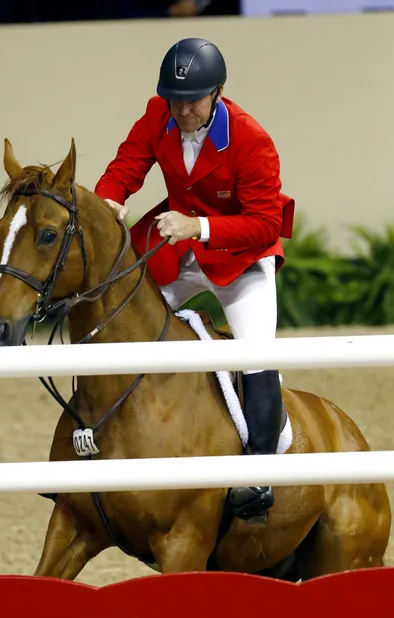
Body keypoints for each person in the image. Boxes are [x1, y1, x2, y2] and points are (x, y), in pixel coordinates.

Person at [94, 37, 295, 523]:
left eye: (194, 101)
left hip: (241, 259)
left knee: (256, 354)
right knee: (122, 319)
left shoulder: (251, 138)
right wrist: (108, 201)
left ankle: (260, 479)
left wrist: (198, 226)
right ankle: (99, 436)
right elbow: (125, 167)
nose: (183, 111)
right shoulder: (157, 114)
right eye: (175, 100)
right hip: (181, 252)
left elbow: (265, 224)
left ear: (217, 93)